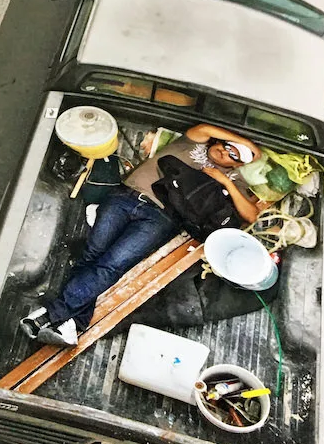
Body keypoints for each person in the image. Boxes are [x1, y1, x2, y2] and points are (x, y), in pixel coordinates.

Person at [20, 123, 263, 346]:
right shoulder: (192, 143)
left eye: (234, 156)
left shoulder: (234, 178)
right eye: (226, 146)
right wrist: (248, 145)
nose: (225, 152)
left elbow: (251, 214)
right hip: (124, 196)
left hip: (160, 217)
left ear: (238, 165)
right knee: (91, 255)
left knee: (112, 264)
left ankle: (50, 316)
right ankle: (73, 324)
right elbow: (206, 128)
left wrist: (225, 181)